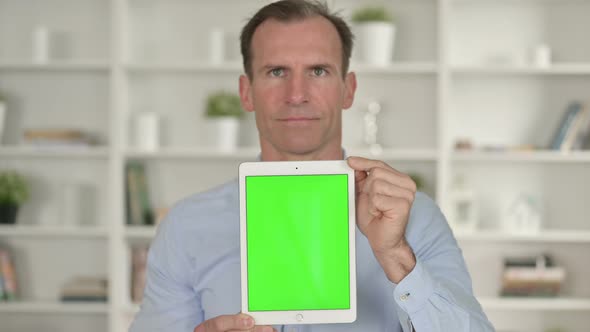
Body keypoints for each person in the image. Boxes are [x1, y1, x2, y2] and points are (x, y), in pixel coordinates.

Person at [130, 1, 495, 331]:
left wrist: (396, 255)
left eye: (318, 71)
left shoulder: (416, 219)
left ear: (348, 90)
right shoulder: (185, 226)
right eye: (276, 72)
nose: (296, 94)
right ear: (246, 92)